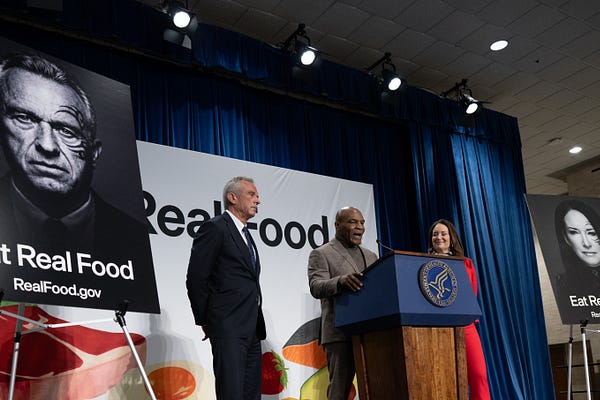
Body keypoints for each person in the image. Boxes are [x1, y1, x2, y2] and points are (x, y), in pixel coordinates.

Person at [0, 53, 153, 287]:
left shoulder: (137, 240)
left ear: (94, 153)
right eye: (24, 118)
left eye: (66, 131)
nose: (47, 145)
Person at [186, 176, 266, 400]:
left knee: (251, 395)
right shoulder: (215, 228)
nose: (257, 200)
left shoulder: (246, 235)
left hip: (252, 328)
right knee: (231, 393)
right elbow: (196, 278)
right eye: (251, 194)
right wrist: (205, 319)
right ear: (232, 197)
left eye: (257, 196)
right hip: (228, 326)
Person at [308, 206, 378, 400]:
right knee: (340, 391)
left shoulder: (371, 256)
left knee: (376, 386)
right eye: (353, 222)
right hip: (339, 334)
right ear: (338, 225)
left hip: (370, 333)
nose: (359, 227)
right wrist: (340, 281)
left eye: (362, 222)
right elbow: (316, 286)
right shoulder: (321, 253)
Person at [427, 219, 491, 400]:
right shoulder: (423, 264)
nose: (439, 237)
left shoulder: (466, 264)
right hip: (436, 327)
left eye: (443, 233)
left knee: (478, 374)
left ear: (451, 238)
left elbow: (472, 296)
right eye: (435, 234)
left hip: (465, 325)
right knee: (442, 378)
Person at [553, 200, 600, 312]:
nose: (586, 243)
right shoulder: (565, 285)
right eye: (574, 232)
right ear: (565, 238)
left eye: (591, 232)